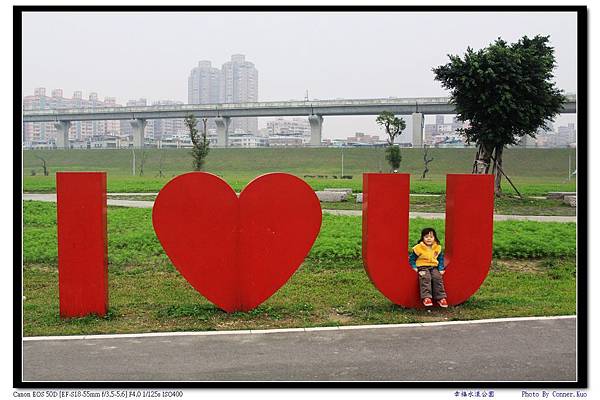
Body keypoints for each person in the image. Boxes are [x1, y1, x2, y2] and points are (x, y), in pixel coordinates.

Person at [409, 227, 448, 308]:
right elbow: (412, 259)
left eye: (431, 237)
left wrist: (441, 268)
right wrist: (414, 267)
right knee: (426, 278)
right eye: (426, 237)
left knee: (437, 278)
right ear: (422, 238)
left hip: (434, 267)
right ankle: (426, 297)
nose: (429, 239)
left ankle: (441, 298)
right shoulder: (418, 248)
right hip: (422, 267)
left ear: (434, 238)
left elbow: (440, 259)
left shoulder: (437, 247)